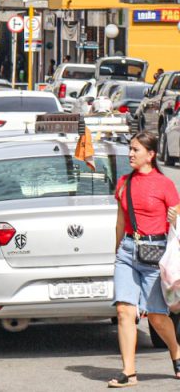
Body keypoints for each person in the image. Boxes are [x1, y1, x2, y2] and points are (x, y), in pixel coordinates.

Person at [109, 131, 180, 387]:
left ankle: (176, 352)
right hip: (128, 251)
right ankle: (129, 372)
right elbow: (120, 222)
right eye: (130, 148)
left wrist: (175, 217)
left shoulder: (164, 184)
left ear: (150, 155)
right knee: (124, 311)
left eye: (135, 149)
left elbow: (177, 215)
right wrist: (117, 250)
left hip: (155, 253)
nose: (130, 153)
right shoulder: (123, 183)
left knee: (157, 317)